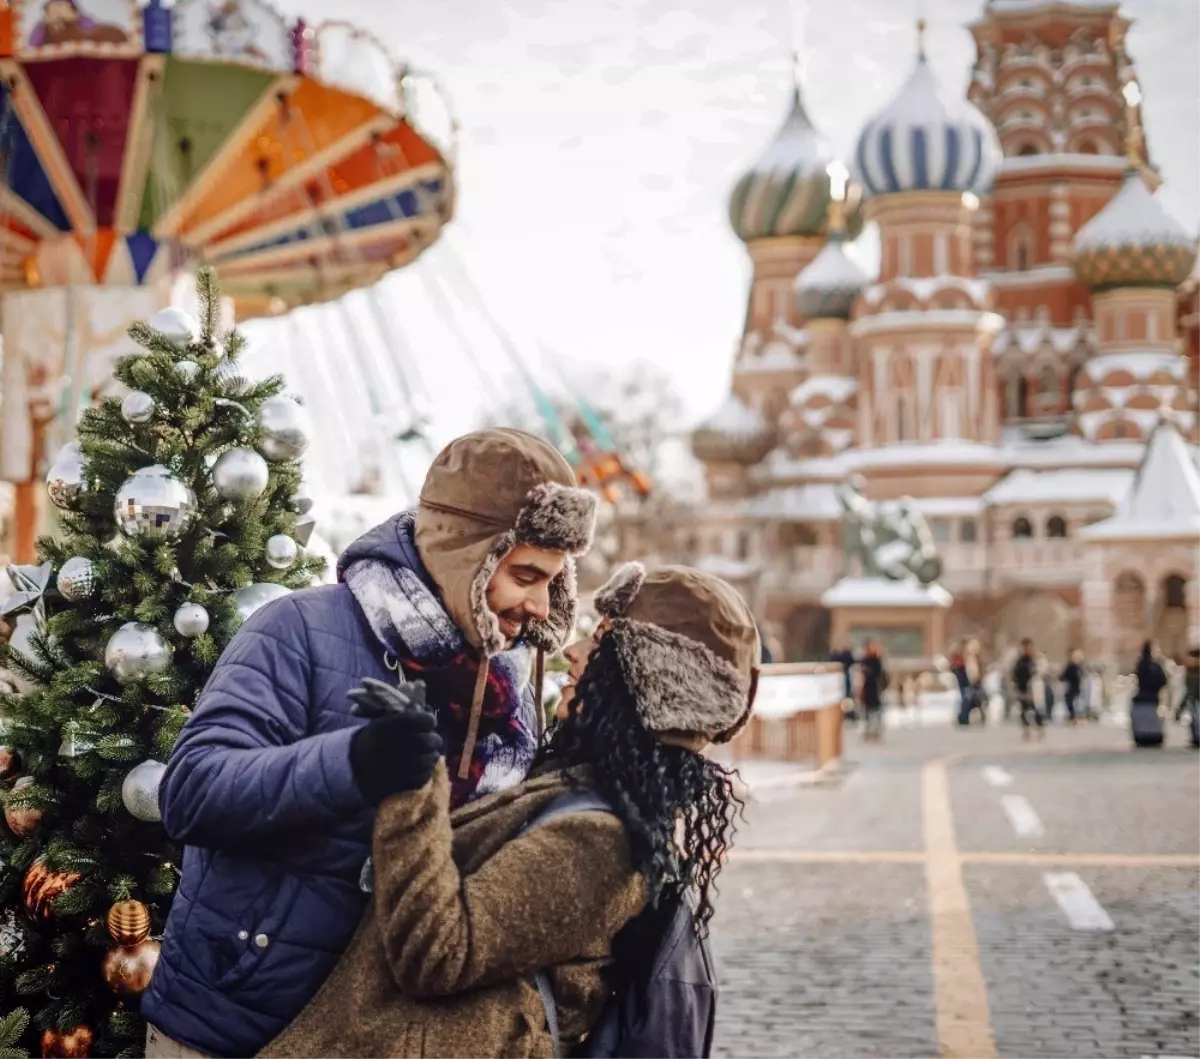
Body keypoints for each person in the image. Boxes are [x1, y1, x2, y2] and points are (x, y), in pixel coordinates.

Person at [142, 429, 599, 1059]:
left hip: (377, 1037)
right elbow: (191, 792)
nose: (540, 606)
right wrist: (353, 764)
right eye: (525, 575)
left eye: (553, 580)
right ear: (467, 554)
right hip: (241, 1025)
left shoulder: (505, 689)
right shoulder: (300, 628)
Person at [258, 562, 756, 1059]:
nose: (574, 653)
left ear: (649, 685)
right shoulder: (589, 799)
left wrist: (414, 779)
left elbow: (436, 953)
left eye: (602, 643)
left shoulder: (600, 844)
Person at [1013, 638, 1043, 740]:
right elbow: (1015, 675)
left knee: (1034, 709)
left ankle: (1039, 727)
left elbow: (1036, 675)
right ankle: (1026, 730)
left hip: (1031, 689)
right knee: (1024, 710)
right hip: (1022, 689)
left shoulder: (1033, 661)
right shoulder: (1019, 661)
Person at [860, 639, 887, 741]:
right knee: (867, 710)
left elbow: (880, 674)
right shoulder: (865, 659)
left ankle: (876, 728)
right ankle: (868, 729)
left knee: (876, 709)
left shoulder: (877, 660)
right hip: (867, 688)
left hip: (875, 688)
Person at [829, 641, 857, 721]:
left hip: (844, 678)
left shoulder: (845, 655)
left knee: (846, 695)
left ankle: (848, 712)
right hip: (840, 679)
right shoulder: (837, 656)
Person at [1061, 648, 1084, 726]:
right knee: (1070, 703)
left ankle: (1074, 717)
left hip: (1072, 687)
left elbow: (1065, 676)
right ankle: (1073, 717)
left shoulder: (1074, 666)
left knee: (1072, 703)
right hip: (1071, 687)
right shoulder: (1073, 666)